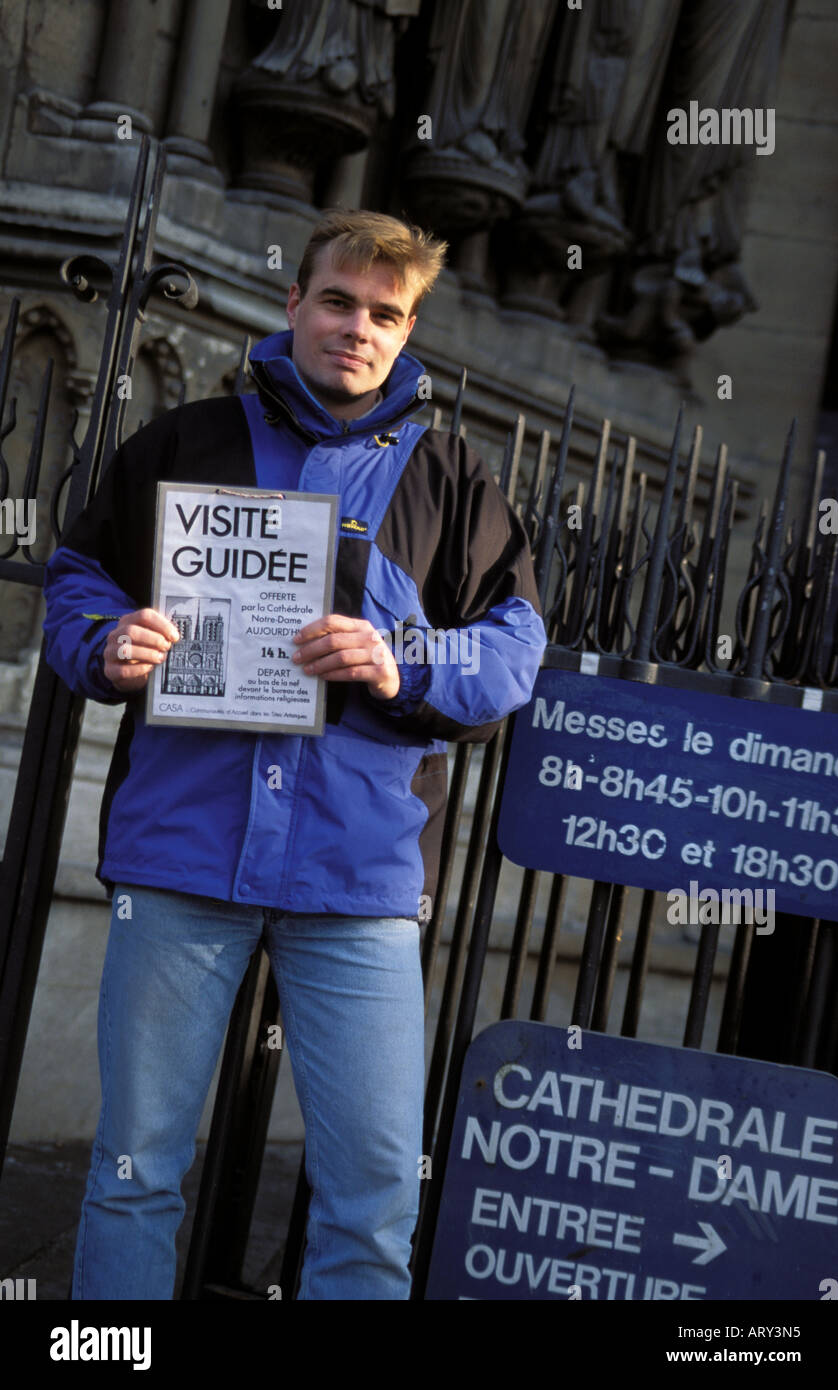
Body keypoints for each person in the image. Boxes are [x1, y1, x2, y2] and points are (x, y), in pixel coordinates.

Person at [42, 208, 548, 1300]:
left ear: (407, 332)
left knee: (371, 1196)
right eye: (335, 299)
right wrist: (103, 639)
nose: (355, 327)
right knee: (135, 1172)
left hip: (356, 879)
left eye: (384, 313)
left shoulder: (452, 480)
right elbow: (78, 577)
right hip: (180, 861)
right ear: (293, 302)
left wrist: (397, 655)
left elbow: (512, 652)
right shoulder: (183, 441)